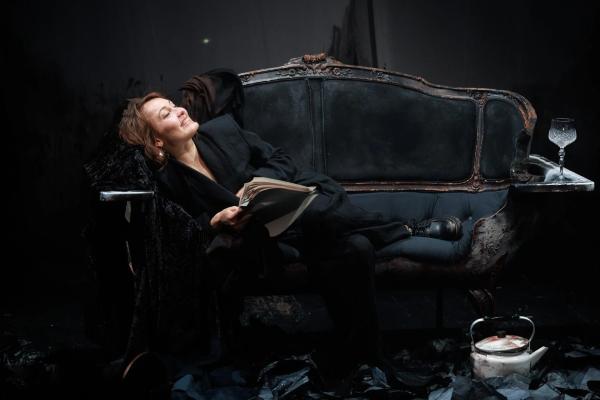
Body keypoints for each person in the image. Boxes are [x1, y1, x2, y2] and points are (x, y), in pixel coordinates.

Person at [117, 92, 462, 381]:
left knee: (332, 227)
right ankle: (405, 230)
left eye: (174, 104)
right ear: (157, 141)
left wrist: (255, 186)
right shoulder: (168, 183)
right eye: (166, 113)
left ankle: (365, 358)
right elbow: (179, 232)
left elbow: (281, 159)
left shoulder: (222, 131)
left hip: (301, 208)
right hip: (265, 242)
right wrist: (215, 221)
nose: (180, 109)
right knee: (351, 242)